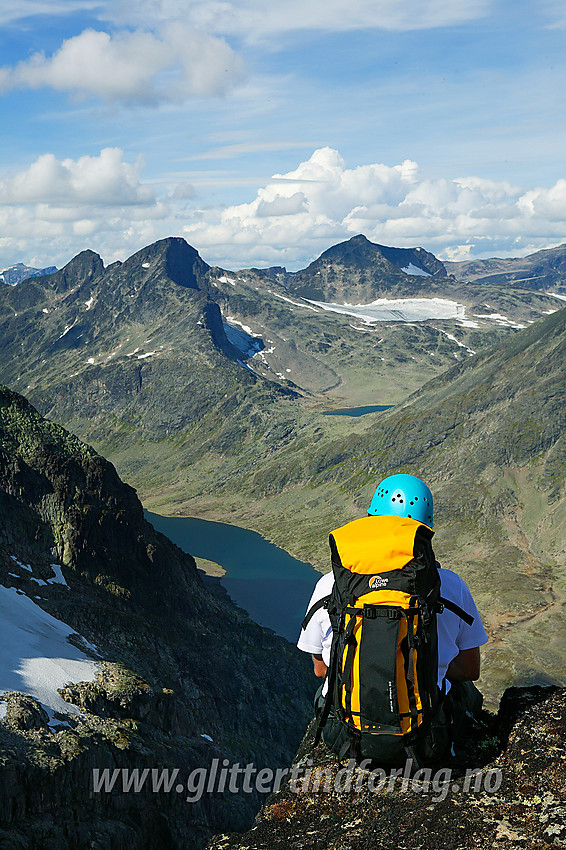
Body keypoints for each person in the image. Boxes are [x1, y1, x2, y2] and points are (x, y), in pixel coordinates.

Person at [297, 473, 489, 760]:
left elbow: (321, 669)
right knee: (467, 692)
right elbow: (469, 669)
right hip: (426, 736)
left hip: (347, 735)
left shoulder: (331, 584)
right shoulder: (449, 585)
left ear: (372, 519)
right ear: (423, 530)